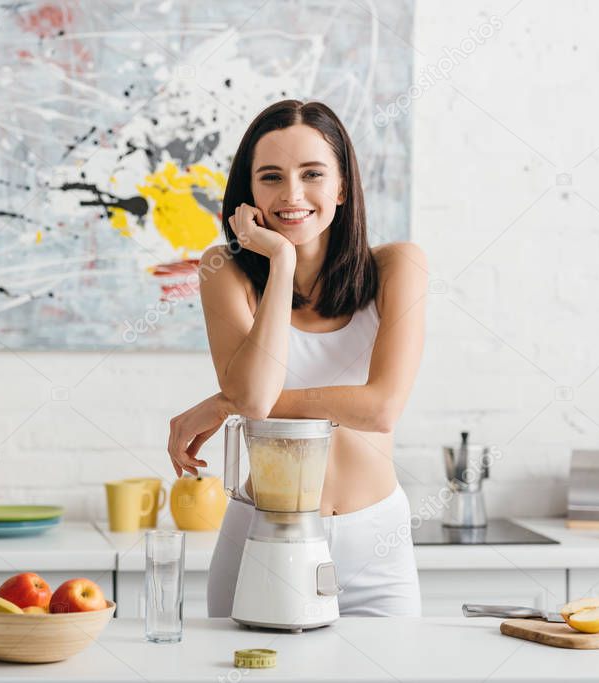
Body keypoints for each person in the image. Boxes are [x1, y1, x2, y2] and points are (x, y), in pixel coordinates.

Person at [166, 99, 426, 617]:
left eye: (312, 174)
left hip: (375, 541)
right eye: (270, 177)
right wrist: (281, 259)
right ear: (249, 193)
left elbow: (380, 410)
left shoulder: (399, 266)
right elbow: (254, 397)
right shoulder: (225, 271)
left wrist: (224, 405)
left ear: (342, 186)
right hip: (263, 535)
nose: (292, 195)